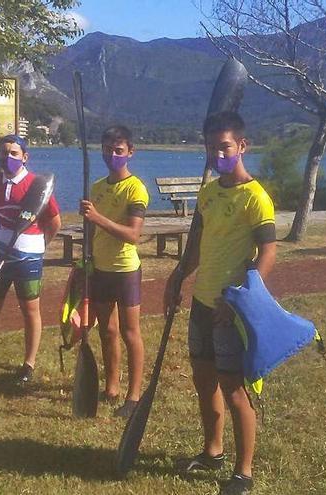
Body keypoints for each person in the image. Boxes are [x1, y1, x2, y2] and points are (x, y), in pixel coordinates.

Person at [164, 111, 276, 495]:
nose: (218, 154)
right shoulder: (208, 193)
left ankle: (243, 472)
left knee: (233, 388)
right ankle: (212, 451)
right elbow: (197, 244)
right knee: (203, 380)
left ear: (242, 146)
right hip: (201, 302)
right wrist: (178, 276)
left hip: (231, 309)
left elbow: (268, 253)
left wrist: (241, 299)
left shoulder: (256, 197)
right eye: (212, 148)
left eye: (225, 147)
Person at [78, 125, 149, 418]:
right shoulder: (96, 187)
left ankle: (133, 396)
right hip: (101, 270)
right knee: (107, 332)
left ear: (130, 152)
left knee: (130, 332)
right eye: (107, 149)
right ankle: (111, 387)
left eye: (118, 151)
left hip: (125, 271)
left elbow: (133, 235)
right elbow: (91, 231)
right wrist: (86, 261)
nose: (112, 155)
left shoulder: (136, 189)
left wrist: (97, 217)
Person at [0, 134, 61, 385]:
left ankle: (29, 363)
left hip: (28, 258)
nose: (9, 157)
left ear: (25, 157)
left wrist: (38, 248)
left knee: (30, 310)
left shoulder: (35, 185)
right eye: (4, 153)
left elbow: (54, 222)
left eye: (14, 153)